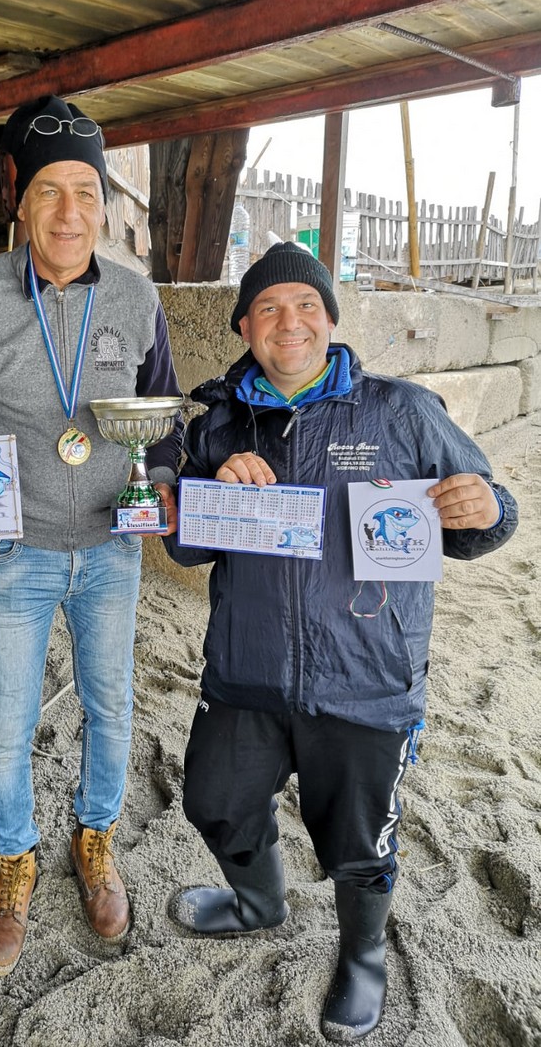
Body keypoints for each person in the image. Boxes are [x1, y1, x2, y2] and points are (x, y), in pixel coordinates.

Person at [163, 242, 518, 1042]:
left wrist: (488, 508)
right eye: (268, 307)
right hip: (245, 673)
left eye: (306, 305)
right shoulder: (217, 423)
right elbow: (185, 547)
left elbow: (484, 518)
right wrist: (208, 487)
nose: (288, 321)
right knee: (214, 802)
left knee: (360, 842)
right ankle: (260, 903)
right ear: (245, 326)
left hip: (368, 679)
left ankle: (363, 955)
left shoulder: (402, 410)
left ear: (329, 318)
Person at [0, 95, 183, 977]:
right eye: (50, 191)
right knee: (7, 723)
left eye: (86, 191)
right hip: (13, 550)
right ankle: (15, 862)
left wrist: (164, 483)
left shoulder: (136, 297)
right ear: (20, 201)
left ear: (105, 203)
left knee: (112, 707)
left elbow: (165, 425)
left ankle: (94, 840)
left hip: (110, 550)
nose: (70, 212)